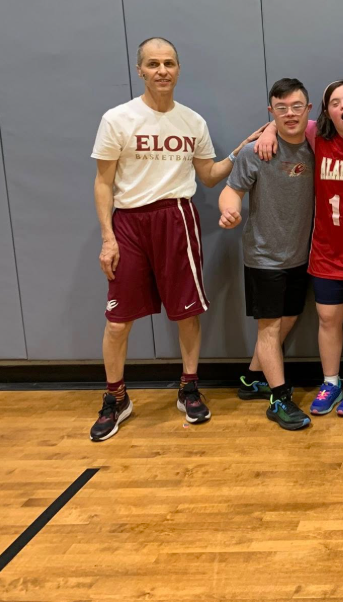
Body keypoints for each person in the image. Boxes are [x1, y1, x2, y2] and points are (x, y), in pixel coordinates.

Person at [90, 37, 265, 441]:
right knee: (118, 321)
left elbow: (206, 175)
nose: (162, 70)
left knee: (187, 312)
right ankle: (116, 397)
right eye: (153, 64)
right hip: (130, 223)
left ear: (178, 69)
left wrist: (242, 151)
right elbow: (103, 183)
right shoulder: (117, 119)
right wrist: (107, 238)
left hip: (177, 219)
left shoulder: (192, 122)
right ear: (140, 70)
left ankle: (188, 386)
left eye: (168, 63)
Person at [251, 81, 343, 416]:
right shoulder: (317, 136)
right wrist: (267, 133)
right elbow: (283, 121)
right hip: (326, 251)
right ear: (326, 111)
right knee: (328, 317)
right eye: (335, 102)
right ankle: (331, 381)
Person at [219, 78, 315, 431]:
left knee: (287, 319)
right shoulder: (255, 152)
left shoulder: (317, 145)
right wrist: (229, 210)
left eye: (296, 107)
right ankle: (280, 398)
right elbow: (231, 191)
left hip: (302, 255)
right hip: (263, 256)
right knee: (270, 327)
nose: (289, 114)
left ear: (308, 110)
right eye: (281, 108)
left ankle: (251, 379)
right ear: (270, 112)